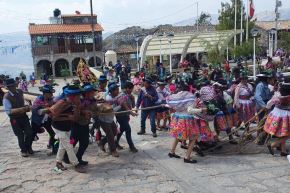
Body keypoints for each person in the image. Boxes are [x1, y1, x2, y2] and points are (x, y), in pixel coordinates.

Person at [49, 85, 86, 173]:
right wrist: (67, 117)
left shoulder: (76, 104)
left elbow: (75, 118)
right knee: (69, 146)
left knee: (63, 146)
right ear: (72, 96)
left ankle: (58, 163)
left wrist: (76, 111)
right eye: (78, 96)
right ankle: (76, 164)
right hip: (58, 127)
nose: (80, 97)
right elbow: (52, 116)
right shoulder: (61, 103)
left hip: (67, 127)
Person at [167, 84, 201, 164]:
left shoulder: (176, 95)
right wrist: (201, 110)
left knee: (178, 136)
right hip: (187, 119)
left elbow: (169, 105)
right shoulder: (190, 96)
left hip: (177, 118)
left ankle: (172, 152)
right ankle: (187, 157)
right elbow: (190, 110)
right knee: (193, 138)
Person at [3, 78, 33, 157]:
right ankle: (23, 150)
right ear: (8, 87)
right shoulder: (6, 97)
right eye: (10, 86)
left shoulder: (20, 91)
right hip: (15, 119)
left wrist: (29, 104)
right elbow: (9, 111)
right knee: (20, 135)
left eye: (13, 85)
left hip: (23, 116)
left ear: (15, 85)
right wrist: (22, 109)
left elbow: (26, 99)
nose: (12, 87)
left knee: (30, 132)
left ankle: (28, 147)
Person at [108, 81, 138, 153]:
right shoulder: (122, 96)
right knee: (128, 130)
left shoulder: (129, 96)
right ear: (127, 88)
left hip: (126, 116)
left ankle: (114, 143)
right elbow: (125, 107)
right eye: (130, 89)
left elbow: (132, 106)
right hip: (120, 116)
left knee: (121, 130)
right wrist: (132, 113)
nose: (131, 90)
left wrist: (133, 98)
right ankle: (131, 146)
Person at [264, 82, 290, 157]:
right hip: (287, 116)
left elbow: (269, 103)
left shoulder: (277, 96)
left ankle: (283, 151)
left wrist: (267, 108)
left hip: (277, 115)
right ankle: (273, 144)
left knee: (283, 133)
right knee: (287, 134)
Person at [31, 85, 56, 151]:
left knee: (52, 133)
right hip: (37, 120)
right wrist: (48, 107)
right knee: (32, 135)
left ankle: (51, 146)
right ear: (45, 93)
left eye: (52, 93)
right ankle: (27, 149)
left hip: (46, 120)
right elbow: (36, 111)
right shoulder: (38, 100)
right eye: (50, 93)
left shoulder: (52, 99)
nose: (52, 94)